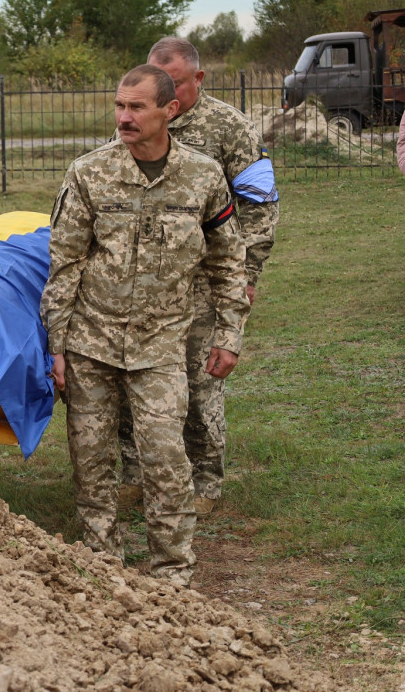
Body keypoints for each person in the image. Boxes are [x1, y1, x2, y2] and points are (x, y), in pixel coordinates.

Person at [40, 64, 250, 586]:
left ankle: (172, 571)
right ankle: (102, 565)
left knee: (165, 459)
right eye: (119, 106)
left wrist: (229, 335)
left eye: (136, 107)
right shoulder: (89, 173)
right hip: (92, 342)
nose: (124, 117)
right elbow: (63, 263)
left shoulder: (203, 176)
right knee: (92, 466)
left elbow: (228, 261)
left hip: (160, 345)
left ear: (169, 110)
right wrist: (57, 346)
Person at [116, 37, 279, 515]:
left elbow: (260, 204)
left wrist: (247, 270)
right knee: (134, 377)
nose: (167, 89)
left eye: (178, 82)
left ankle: (204, 479)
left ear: (198, 79)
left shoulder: (229, 127)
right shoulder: (134, 121)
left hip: (207, 282)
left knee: (200, 379)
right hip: (144, 283)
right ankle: (134, 473)